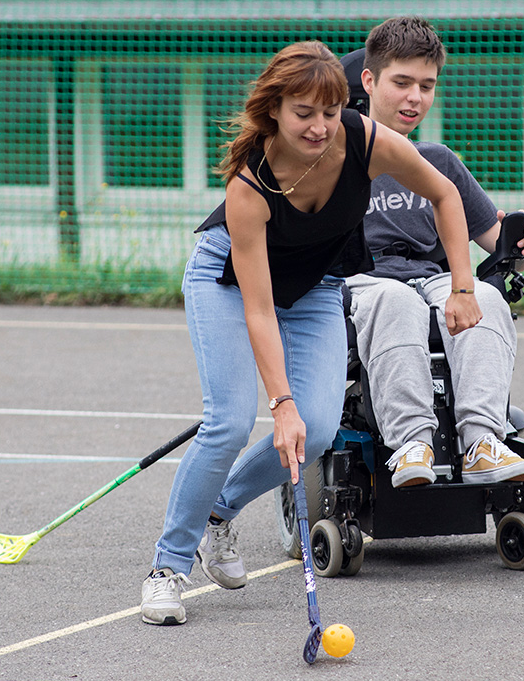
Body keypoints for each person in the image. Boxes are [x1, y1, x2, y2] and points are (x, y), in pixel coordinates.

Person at [142, 40, 482, 625]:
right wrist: (279, 402)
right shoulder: (249, 188)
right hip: (229, 283)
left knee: (319, 430)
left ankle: (216, 514)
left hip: (316, 287)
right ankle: (166, 568)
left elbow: (445, 193)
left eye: (329, 112)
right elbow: (258, 310)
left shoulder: (365, 139)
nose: (321, 127)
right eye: (304, 114)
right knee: (227, 421)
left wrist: (463, 287)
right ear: (274, 110)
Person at [345, 16, 524, 489]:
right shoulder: (337, 154)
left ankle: (481, 441)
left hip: (431, 277)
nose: (415, 97)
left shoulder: (438, 160)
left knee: (487, 298)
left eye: (427, 86)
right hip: (364, 282)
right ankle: (412, 442)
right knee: (395, 301)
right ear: (369, 82)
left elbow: (496, 241)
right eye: (402, 83)